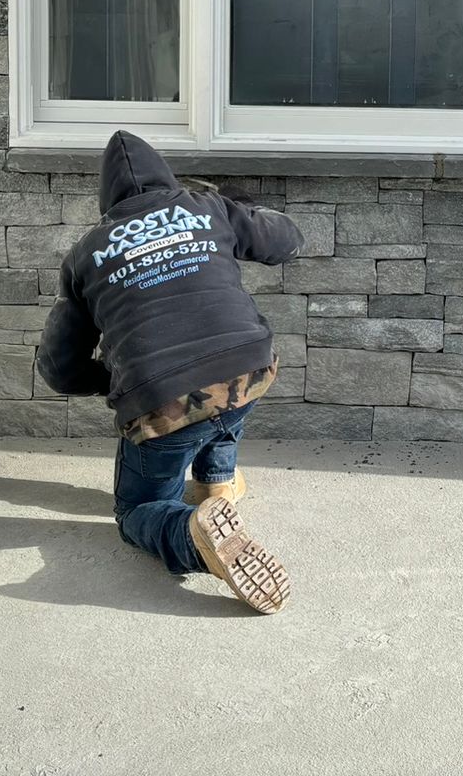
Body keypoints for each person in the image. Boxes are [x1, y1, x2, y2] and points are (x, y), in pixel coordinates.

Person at [36, 131, 303, 613]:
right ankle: (216, 484)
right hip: (250, 370)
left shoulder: (87, 253)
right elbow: (285, 240)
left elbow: (60, 368)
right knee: (223, 400)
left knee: (135, 512)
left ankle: (189, 532)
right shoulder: (205, 207)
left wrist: (110, 382)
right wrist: (232, 208)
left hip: (162, 399)